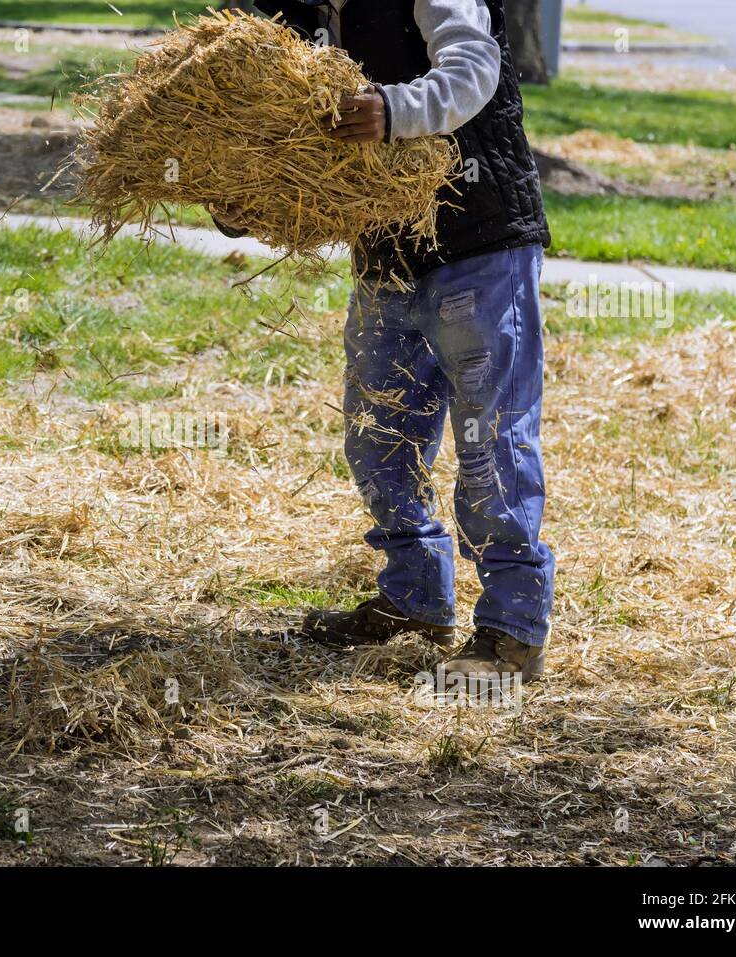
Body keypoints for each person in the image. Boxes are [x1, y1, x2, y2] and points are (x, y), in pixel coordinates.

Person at [213, 0, 554, 683]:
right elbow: (293, 143)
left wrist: (393, 110)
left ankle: (512, 630)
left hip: (477, 240)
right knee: (378, 435)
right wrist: (246, 200)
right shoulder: (297, 14)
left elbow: (474, 66)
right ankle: (415, 598)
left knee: (491, 441)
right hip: (386, 254)